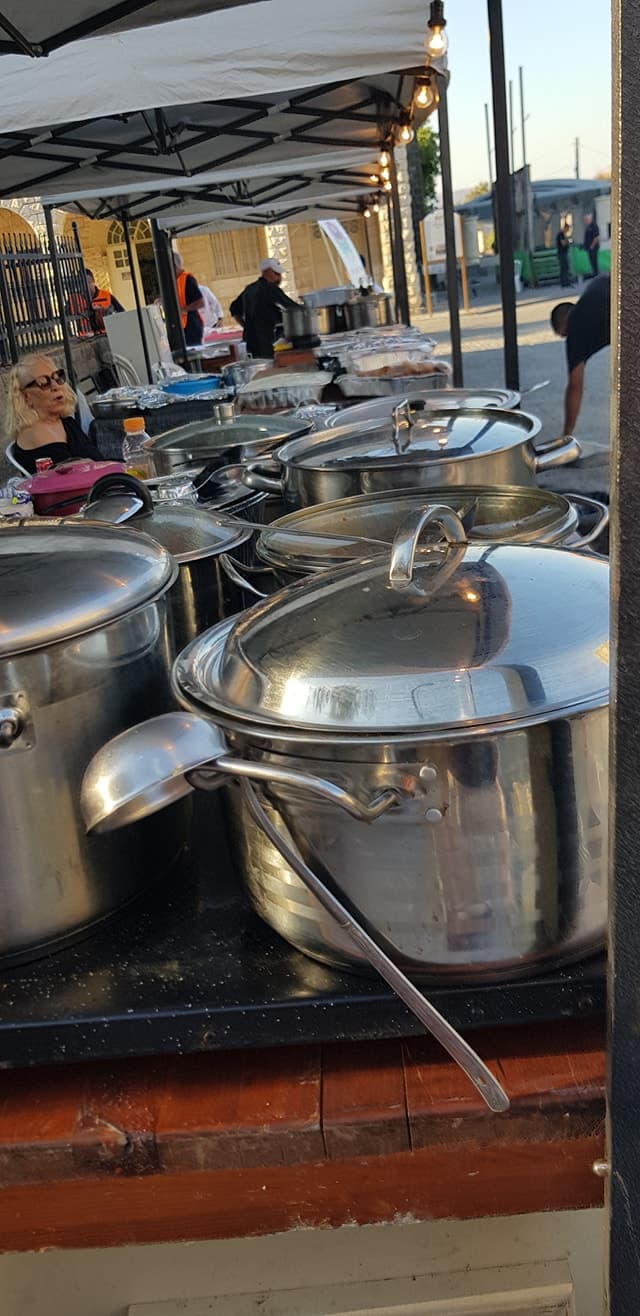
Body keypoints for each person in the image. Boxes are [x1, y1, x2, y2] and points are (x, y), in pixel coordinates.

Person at [6, 354, 102, 475]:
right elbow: (67, 479)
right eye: (43, 382)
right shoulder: (34, 432)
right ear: (26, 397)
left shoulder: (67, 422)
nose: (55, 386)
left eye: (57, 377)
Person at [550, 272, 610, 437]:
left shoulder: (575, 328)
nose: (565, 339)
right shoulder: (596, 284)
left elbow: (575, 386)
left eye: (563, 335)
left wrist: (567, 433)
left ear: (563, 326)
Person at [229, 258, 300, 358]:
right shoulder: (270, 288)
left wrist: (247, 326)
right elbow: (292, 307)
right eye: (277, 274)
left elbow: (234, 309)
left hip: (251, 341)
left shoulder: (249, 289)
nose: (280, 278)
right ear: (267, 272)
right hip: (268, 341)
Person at [172, 251, 204, 346]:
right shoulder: (174, 281)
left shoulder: (188, 279)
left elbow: (200, 302)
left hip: (191, 326)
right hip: (181, 326)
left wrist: (183, 309)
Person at [583, 213, 600, 278]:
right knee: (591, 261)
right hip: (589, 248)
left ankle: (596, 274)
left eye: (586, 219)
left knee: (594, 261)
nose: (585, 221)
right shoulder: (588, 227)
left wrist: (592, 246)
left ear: (589, 219)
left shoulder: (594, 226)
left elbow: (596, 237)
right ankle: (594, 273)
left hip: (593, 248)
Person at [556, 223, 572, 288]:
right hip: (561, 254)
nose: (568, 230)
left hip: (564, 253)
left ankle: (566, 282)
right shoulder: (561, 234)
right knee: (563, 268)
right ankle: (564, 283)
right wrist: (568, 241)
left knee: (566, 267)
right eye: (567, 229)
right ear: (565, 228)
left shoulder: (563, 234)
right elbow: (563, 243)